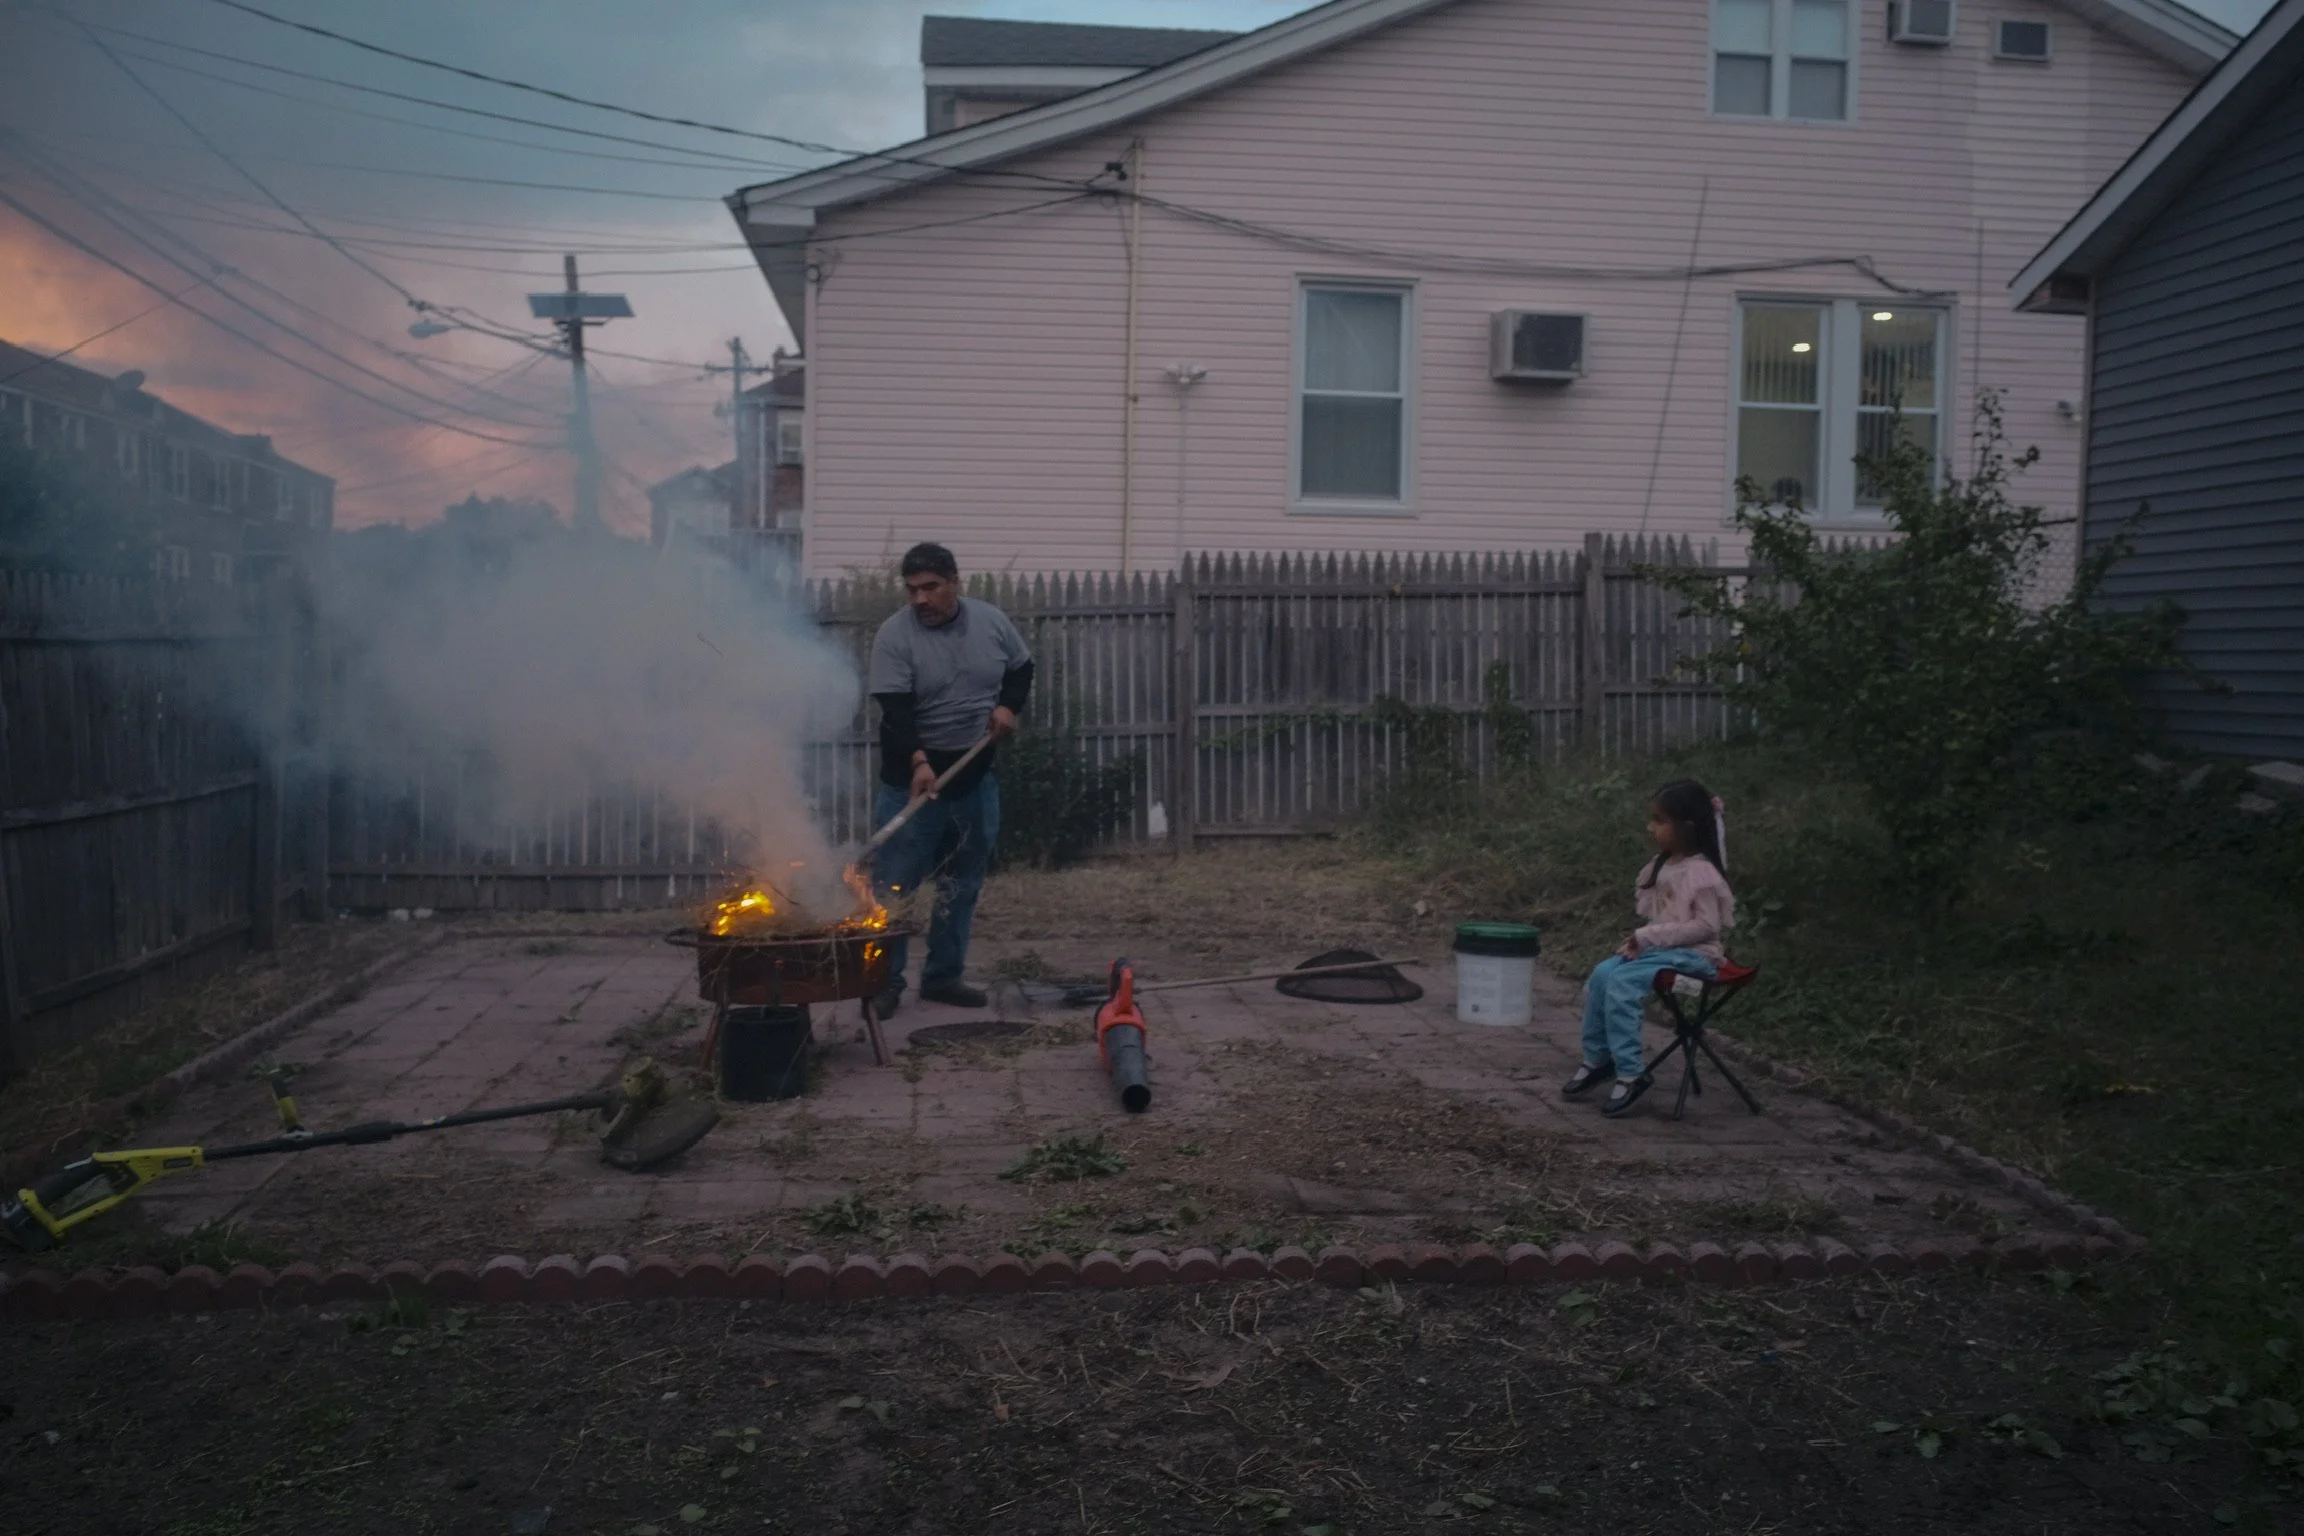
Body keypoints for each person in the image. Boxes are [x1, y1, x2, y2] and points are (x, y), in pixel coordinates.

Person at [865, 542, 1034, 1017]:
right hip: (910, 781)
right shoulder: (894, 637)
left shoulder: (991, 623)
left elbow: (1022, 668)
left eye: (930, 588)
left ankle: (943, 977)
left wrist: (1007, 707)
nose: (920, 599)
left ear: (955, 583)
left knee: (961, 882)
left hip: (974, 778)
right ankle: (884, 983)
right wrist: (919, 762)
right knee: (894, 888)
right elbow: (895, 712)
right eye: (912, 590)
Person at [1562, 779, 1735, 1118]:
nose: (1650, 827)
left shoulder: (1700, 871)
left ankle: (1631, 1071)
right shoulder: (1664, 864)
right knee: (1602, 974)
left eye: (1659, 820)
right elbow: (1661, 923)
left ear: (1686, 827)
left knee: (1622, 983)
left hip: (1697, 960)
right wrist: (1642, 941)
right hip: (1664, 953)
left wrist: (1649, 938)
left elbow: (1706, 927)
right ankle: (1599, 1058)